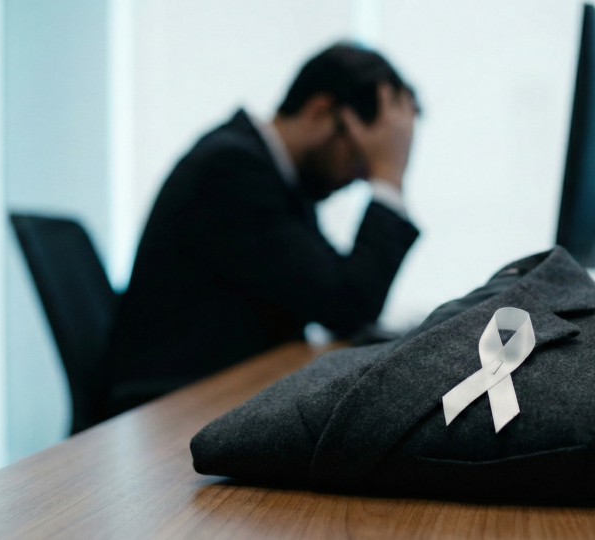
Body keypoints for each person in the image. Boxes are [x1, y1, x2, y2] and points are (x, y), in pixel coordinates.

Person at [103, 43, 421, 417]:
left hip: (216, 393)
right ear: (321, 111)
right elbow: (347, 305)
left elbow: (332, 290)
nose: (362, 176)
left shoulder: (270, 173)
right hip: (172, 407)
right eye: (360, 157)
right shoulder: (230, 169)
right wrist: (388, 177)